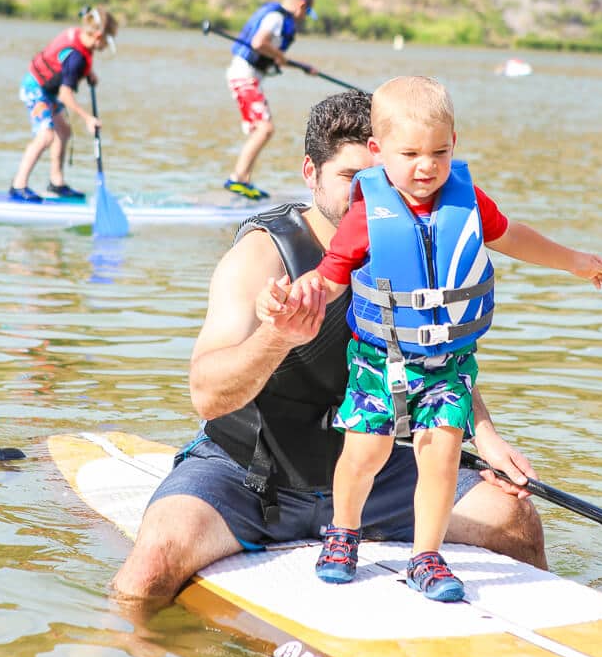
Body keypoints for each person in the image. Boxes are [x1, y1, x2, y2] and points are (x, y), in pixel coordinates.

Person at [113, 90, 548, 610]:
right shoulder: (262, 256)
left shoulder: (411, 235)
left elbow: (439, 355)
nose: (370, 194)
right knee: (151, 566)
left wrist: (487, 435)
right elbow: (207, 396)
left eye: (382, 176)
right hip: (252, 479)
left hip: (374, 476)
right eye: (351, 178)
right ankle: (120, 655)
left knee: (516, 519)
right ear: (310, 172)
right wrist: (278, 336)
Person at [257, 77, 602, 603]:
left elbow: (512, 236)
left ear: (454, 143)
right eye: (410, 154)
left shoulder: (466, 200)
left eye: (439, 152)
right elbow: (331, 276)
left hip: (446, 363)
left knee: (441, 454)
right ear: (378, 152)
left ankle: (426, 555)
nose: (426, 166)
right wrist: (294, 297)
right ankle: (344, 532)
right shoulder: (367, 212)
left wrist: (575, 262)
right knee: (364, 454)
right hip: (380, 360)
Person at [9, 5, 118, 203]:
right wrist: (88, 119)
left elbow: (66, 65)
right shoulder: (75, 57)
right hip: (35, 90)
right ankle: (18, 186)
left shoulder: (80, 38)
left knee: (64, 132)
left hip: (48, 91)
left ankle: (56, 184)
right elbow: (65, 94)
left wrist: (88, 74)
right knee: (46, 135)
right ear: (99, 36)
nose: (105, 47)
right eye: (108, 41)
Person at [224, 0, 318, 201]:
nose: (303, 19)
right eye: (306, 13)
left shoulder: (278, 18)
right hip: (244, 75)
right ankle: (237, 179)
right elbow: (259, 43)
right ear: (301, 6)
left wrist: (304, 68)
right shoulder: (277, 18)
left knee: (261, 129)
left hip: (247, 76)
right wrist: (277, 55)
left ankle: (244, 180)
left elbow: (276, 56)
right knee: (265, 129)